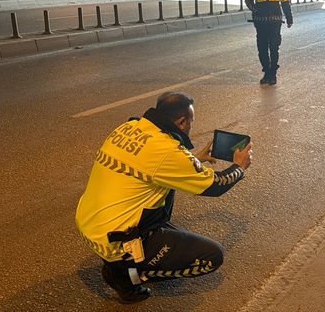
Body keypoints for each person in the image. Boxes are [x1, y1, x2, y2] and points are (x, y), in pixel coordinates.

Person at [75, 92, 252, 303]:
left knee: (165, 188)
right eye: (191, 122)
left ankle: (132, 261)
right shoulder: (167, 152)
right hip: (118, 241)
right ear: (182, 121)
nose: (191, 126)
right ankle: (127, 274)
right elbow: (214, 186)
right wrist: (240, 167)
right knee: (212, 256)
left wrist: (195, 160)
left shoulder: (129, 128)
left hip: (92, 224)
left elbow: (152, 165)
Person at [245, 0, 293, 85]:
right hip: (260, 22)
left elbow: (284, 1)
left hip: (275, 21)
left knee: (273, 46)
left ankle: (273, 74)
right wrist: (255, 10)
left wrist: (289, 18)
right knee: (262, 47)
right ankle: (266, 72)